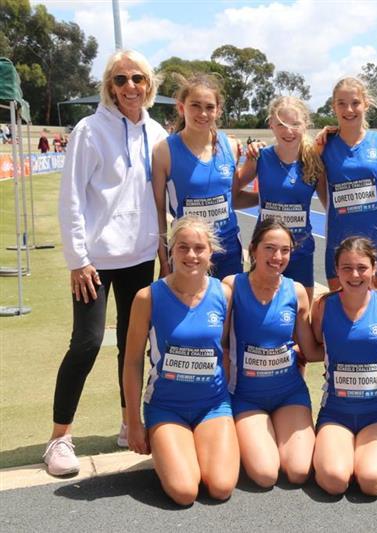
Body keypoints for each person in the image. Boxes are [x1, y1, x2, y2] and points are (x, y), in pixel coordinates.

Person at [45, 49, 168, 477]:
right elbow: (72, 198)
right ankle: (60, 437)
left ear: (148, 83)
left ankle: (128, 422)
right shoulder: (89, 130)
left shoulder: (156, 132)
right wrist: (78, 259)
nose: (129, 87)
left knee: (134, 345)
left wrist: (163, 248)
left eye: (137, 78)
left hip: (139, 256)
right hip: (95, 261)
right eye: (120, 80)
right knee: (88, 341)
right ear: (109, 87)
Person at [123, 216, 240, 506]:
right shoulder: (147, 297)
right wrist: (133, 421)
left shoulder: (223, 294)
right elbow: (132, 362)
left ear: (210, 252)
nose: (191, 255)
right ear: (171, 250)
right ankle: (174, 450)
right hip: (167, 407)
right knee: (185, 492)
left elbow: (223, 348)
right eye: (183, 247)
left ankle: (193, 445)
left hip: (212, 404)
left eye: (199, 248)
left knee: (221, 487)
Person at [224, 218, 319, 488]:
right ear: (253, 249)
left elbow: (309, 350)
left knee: (299, 471)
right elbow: (220, 345)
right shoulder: (232, 287)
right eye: (270, 248)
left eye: (285, 250)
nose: (278, 257)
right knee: (265, 475)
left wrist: (355, 348)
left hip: (289, 393)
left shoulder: (297, 291)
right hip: (246, 397)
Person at [309, 237, 377, 496]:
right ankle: (346, 453)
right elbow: (318, 346)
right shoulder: (324, 306)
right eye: (346, 268)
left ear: (374, 268)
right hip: (335, 413)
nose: (355, 274)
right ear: (336, 270)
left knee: (371, 481)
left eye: (362, 267)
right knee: (334, 480)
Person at [152, 73, 243, 280]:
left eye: (209, 107)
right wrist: (165, 261)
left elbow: (233, 195)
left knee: (228, 310)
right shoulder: (164, 151)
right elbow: (158, 211)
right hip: (187, 254)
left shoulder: (230, 146)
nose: (203, 113)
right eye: (195, 105)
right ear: (181, 107)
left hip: (227, 250)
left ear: (218, 111)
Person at [237, 96, 327, 303]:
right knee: (260, 307)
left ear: (306, 125)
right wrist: (263, 202)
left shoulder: (314, 160)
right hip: (265, 249)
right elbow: (231, 197)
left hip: (300, 249)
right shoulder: (259, 157)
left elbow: (330, 205)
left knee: (301, 311)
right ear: (271, 125)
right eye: (281, 124)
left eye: (295, 124)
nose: (288, 131)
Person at [319, 77, 377, 291]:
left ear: (366, 104)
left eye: (355, 102)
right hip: (339, 240)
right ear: (333, 107)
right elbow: (320, 190)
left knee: (376, 309)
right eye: (341, 103)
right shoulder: (323, 145)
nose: (349, 109)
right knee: (340, 310)